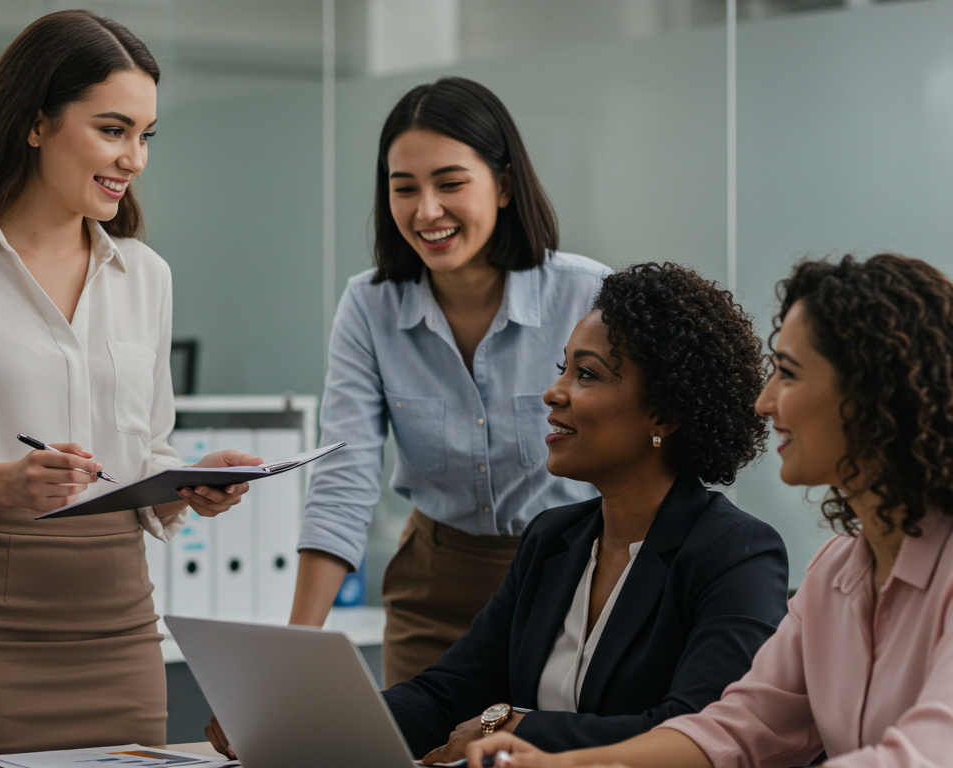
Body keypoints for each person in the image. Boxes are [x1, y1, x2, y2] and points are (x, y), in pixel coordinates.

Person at [0, 10, 258, 758]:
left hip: (118, 627)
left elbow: (145, 451)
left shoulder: (147, 277)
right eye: (112, 130)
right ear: (36, 123)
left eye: (145, 135)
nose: (134, 158)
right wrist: (0, 484)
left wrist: (188, 481)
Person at [209, 263, 788, 762]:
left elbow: (698, 731)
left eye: (585, 374)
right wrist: (300, 727)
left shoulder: (733, 552)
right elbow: (448, 693)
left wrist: (515, 725)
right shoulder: (553, 540)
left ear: (665, 414)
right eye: (561, 368)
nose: (553, 393)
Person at [465, 253, 953, 768]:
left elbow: (922, 757)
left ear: (872, 394)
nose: (764, 402)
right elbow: (736, 730)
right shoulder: (835, 573)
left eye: (787, 374)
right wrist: (557, 763)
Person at [290, 76, 610, 685]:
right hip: (434, 590)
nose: (426, 210)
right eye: (403, 188)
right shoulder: (369, 306)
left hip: (574, 585)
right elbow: (344, 478)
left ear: (505, 184)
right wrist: (289, 655)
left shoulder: (588, 295)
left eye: (451, 184)